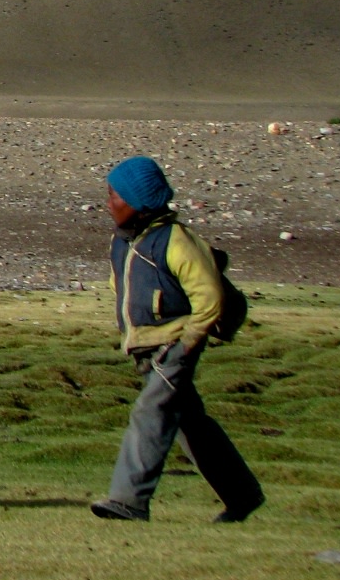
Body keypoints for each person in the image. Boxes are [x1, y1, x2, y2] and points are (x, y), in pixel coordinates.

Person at [91, 155, 264, 523]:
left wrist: (188, 342)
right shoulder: (123, 242)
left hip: (174, 347)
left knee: (150, 413)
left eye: (114, 196)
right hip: (147, 346)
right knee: (189, 424)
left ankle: (128, 501)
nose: (108, 204)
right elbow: (121, 286)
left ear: (137, 202)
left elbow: (210, 299)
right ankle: (242, 494)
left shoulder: (176, 241)